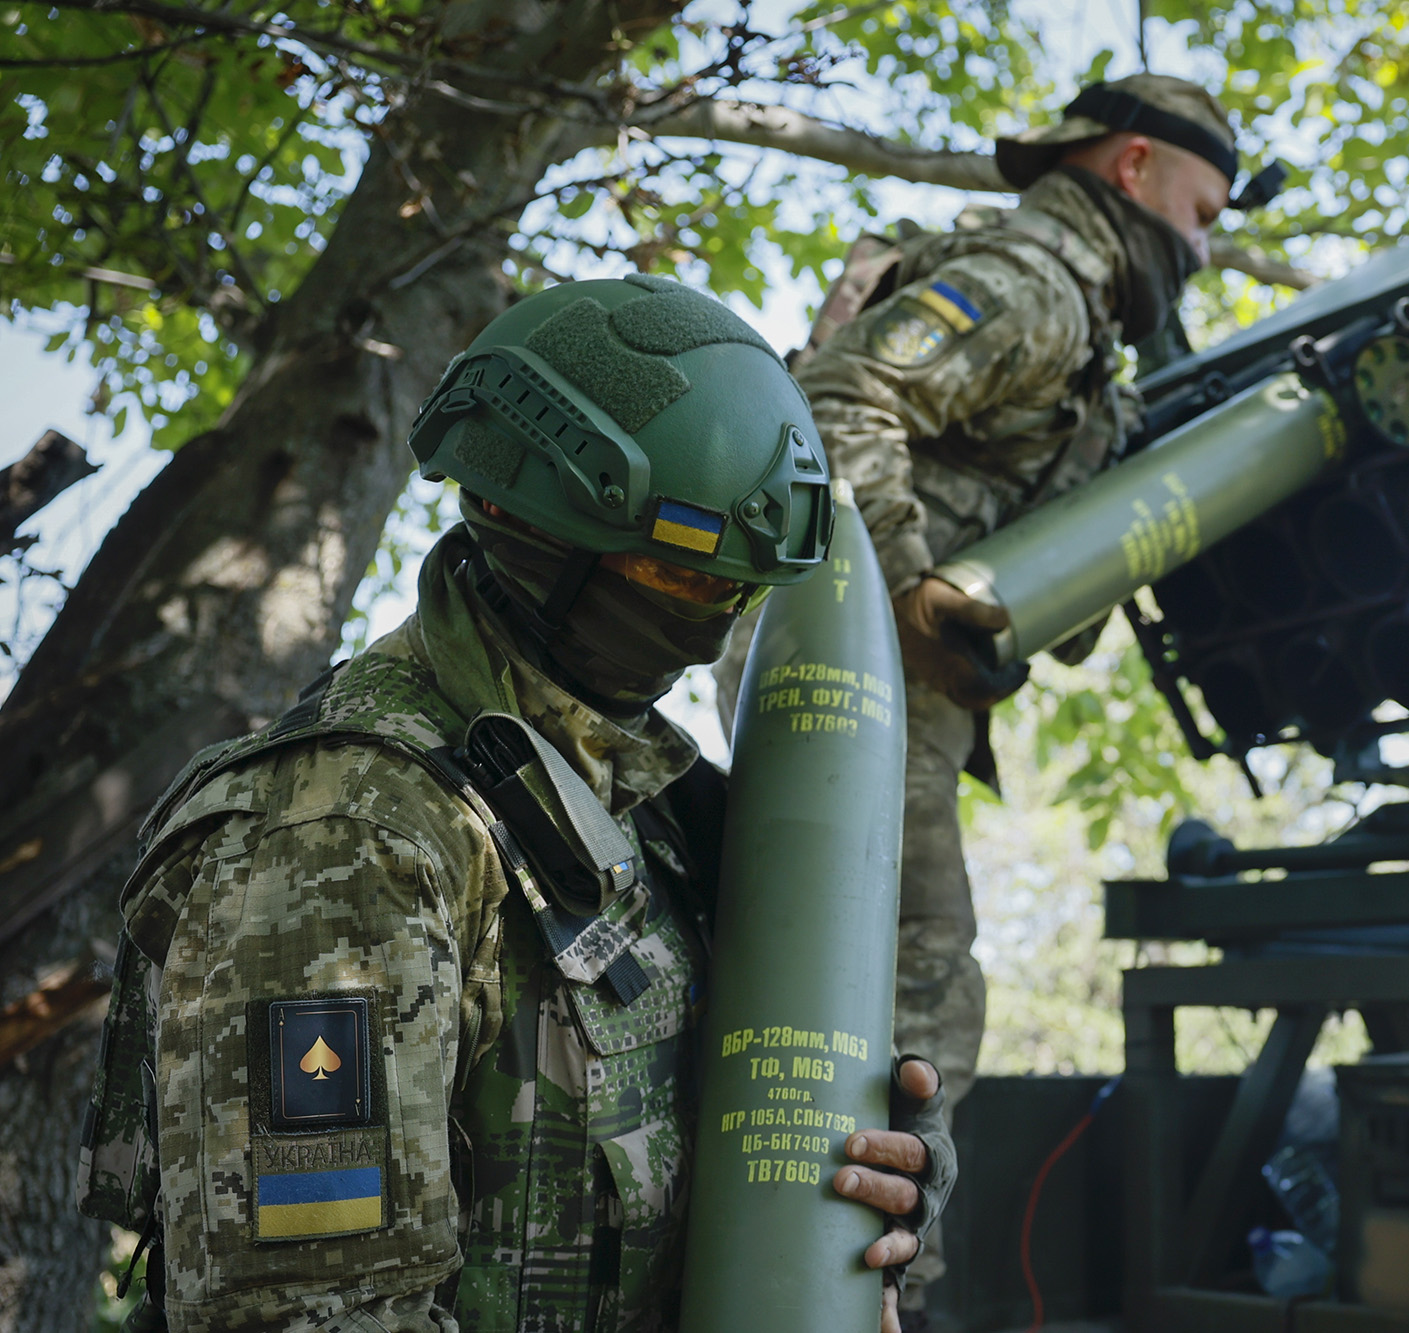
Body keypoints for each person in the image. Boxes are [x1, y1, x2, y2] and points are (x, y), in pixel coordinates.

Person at [77, 275, 953, 1333]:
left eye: (738, 591)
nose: (710, 624)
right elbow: (308, 1314)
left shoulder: (660, 815)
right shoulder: (342, 830)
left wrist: (865, 1181)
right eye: (677, 576)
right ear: (521, 520)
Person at [712, 73, 1249, 1321]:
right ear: (1131, 168)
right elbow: (844, 395)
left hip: (872, 686)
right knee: (912, 990)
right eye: (1203, 207)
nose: (1205, 243)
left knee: (897, 987)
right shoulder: (1035, 283)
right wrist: (904, 588)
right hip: (854, 678)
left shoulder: (1080, 327)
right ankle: (873, 1299)